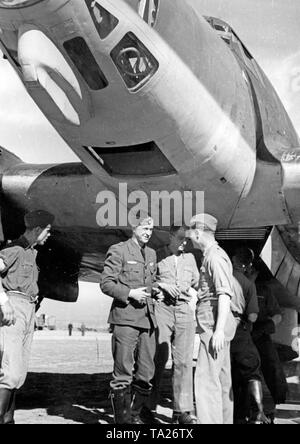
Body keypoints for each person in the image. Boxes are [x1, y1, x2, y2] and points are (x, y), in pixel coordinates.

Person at [101, 215, 159, 424]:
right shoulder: (119, 250)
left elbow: (151, 283)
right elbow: (106, 283)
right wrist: (130, 293)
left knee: (146, 374)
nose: (148, 232)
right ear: (134, 227)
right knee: (123, 374)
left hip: (148, 321)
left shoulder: (152, 253)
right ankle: (123, 424)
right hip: (125, 319)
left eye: (151, 229)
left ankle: (135, 415)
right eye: (145, 228)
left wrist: (156, 292)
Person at [0, 210, 54, 425]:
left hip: (28, 310)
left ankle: (8, 420)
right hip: (13, 309)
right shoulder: (14, 250)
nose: (49, 235)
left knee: (19, 375)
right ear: (38, 229)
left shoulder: (31, 253)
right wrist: (3, 302)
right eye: (48, 230)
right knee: (10, 373)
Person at [186, 213, 237, 424]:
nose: (189, 239)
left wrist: (217, 331)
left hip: (214, 324)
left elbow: (225, 294)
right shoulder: (212, 255)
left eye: (191, 235)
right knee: (222, 382)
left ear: (198, 233)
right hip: (216, 322)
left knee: (206, 382)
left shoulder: (215, 256)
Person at [146, 225, 199, 424]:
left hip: (184, 310)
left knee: (184, 362)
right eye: (180, 239)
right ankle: (147, 408)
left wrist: (191, 293)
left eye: (187, 240)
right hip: (163, 309)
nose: (184, 243)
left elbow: (196, 282)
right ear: (170, 236)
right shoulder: (156, 255)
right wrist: (162, 286)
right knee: (158, 357)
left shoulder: (191, 258)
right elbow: (146, 281)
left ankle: (182, 412)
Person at [246, 258, 288, 423]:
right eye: (248, 270)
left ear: (257, 273)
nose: (250, 274)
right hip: (243, 334)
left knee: (273, 370)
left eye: (253, 271)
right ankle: (249, 410)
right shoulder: (239, 286)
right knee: (248, 373)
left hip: (262, 335)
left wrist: (268, 324)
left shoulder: (264, 290)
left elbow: (277, 314)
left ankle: (270, 410)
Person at [230, 247, 269, 424]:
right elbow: (252, 315)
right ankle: (258, 414)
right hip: (240, 331)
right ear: (248, 265)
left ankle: (236, 416)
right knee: (252, 370)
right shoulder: (248, 284)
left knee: (232, 375)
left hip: (220, 332)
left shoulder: (221, 277)